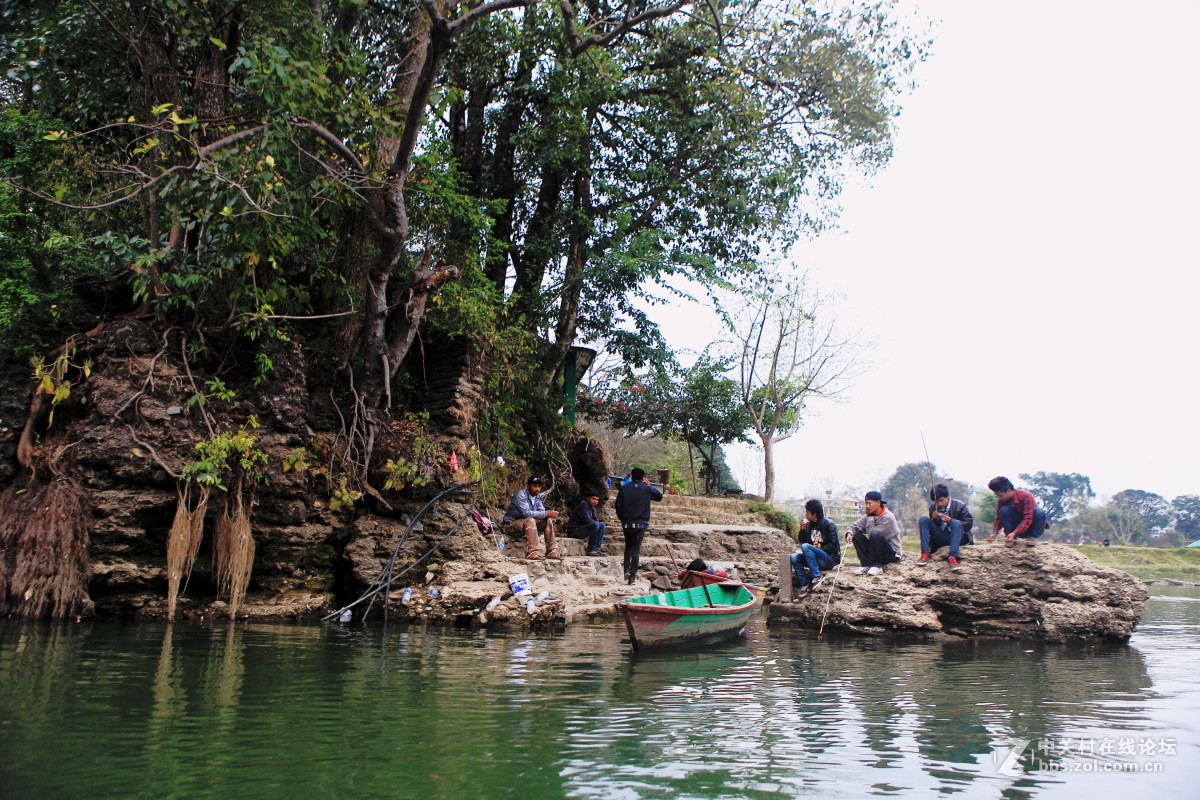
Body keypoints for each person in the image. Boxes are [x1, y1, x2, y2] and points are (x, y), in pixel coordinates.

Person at [614, 467, 663, 584]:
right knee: (636, 550)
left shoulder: (624, 488)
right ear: (643, 478)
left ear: (631, 476)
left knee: (628, 547)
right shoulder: (647, 489)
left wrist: (622, 518)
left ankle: (626, 570)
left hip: (627, 522)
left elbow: (618, 505)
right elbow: (659, 497)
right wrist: (649, 485)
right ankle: (632, 577)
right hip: (641, 523)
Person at [917, 484, 974, 571]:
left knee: (956, 523)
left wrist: (950, 520)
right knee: (923, 520)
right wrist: (935, 519)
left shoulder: (960, 506)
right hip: (942, 537)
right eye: (936, 501)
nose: (939, 504)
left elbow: (968, 524)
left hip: (958, 538)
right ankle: (925, 553)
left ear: (947, 497)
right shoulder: (933, 508)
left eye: (941, 500)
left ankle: (952, 557)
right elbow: (934, 529)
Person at [501, 476, 560, 560]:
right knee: (530, 520)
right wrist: (546, 513)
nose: (537, 489)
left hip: (525, 524)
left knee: (547, 520)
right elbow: (526, 513)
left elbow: (541, 511)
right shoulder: (521, 495)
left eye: (539, 487)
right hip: (510, 525)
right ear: (528, 486)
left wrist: (547, 514)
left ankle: (550, 551)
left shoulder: (537, 497)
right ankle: (532, 552)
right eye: (534, 486)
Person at [790, 499, 841, 595]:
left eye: (807, 512)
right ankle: (805, 584)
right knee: (794, 557)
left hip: (827, 559)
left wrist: (816, 550)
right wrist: (802, 530)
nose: (806, 514)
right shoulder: (809, 526)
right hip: (813, 558)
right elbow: (803, 542)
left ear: (814, 514)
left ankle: (816, 576)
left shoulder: (829, 524)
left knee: (806, 547)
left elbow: (833, 546)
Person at [846, 491, 902, 575]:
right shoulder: (869, 515)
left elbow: (873, 534)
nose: (867, 506)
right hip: (876, 550)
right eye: (866, 504)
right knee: (856, 534)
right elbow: (854, 527)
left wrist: (870, 518)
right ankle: (865, 565)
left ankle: (877, 566)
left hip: (891, 553)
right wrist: (849, 533)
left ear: (878, 503)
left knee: (875, 534)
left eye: (869, 503)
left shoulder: (888, 517)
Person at [985, 476, 1047, 546]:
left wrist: (1015, 533)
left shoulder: (1026, 495)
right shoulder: (1002, 501)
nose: (999, 498)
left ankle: (1032, 537)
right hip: (1015, 526)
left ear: (1008, 491)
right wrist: (995, 532)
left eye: (1000, 495)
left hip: (1029, 527)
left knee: (1039, 512)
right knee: (1004, 510)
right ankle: (1009, 537)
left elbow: (1028, 518)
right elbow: (999, 518)